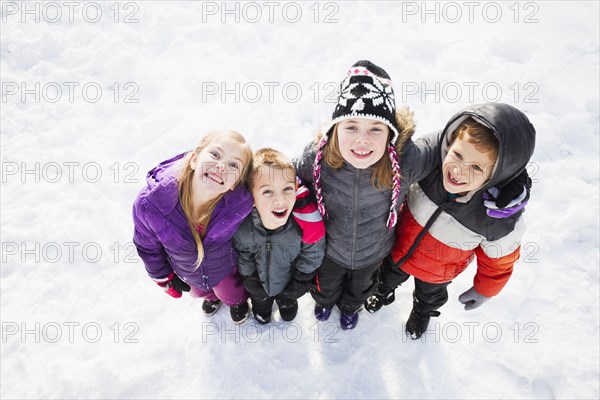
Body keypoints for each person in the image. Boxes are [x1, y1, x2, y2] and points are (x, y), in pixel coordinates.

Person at [294, 60, 529, 330]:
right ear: (335, 129)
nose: (362, 139)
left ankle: (351, 306)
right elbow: (280, 176)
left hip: (375, 254)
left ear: (391, 135)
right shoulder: (316, 160)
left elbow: (456, 140)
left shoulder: (405, 163)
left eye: (375, 129)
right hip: (331, 251)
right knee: (326, 285)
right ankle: (324, 303)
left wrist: (513, 176)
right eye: (351, 127)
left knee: (360, 289)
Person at [364, 103, 535, 340]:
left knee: (429, 296)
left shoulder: (495, 216)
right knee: (388, 275)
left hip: (438, 272)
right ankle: (383, 291)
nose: (458, 170)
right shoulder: (431, 164)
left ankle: (422, 312)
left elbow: (499, 259)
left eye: (476, 167)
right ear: (448, 145)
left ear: (498, 174)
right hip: (398, 250)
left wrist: (485, 289)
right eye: (457, 155)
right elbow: (419, 149)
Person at [132, 130, 254, 324]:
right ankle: (211, 298)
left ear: (235, 183)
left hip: (223, 267)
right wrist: (162, 276)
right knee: (198, 292)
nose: (221, 166)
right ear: (194, 159)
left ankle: (236, 303)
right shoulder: (152, 205)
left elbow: (274, 192)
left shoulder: (242, 203)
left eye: (233, 165)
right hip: (185, 269)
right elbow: (147, 247)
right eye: (215, 154)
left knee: (232, 291)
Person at [233, 148, 326, 324]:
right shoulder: (244, 229)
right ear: (252, 197)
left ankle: (286, 303)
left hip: (289, 284)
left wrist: (301, 279)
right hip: (259, 285)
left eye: (287, 189)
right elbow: (244, 255)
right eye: (267, 191)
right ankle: (263, 307)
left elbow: (313, 253)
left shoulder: (304, 225)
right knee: (262, 307)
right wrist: (250, 279)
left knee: (288, 304)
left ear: (296, 188)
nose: (280, 200)